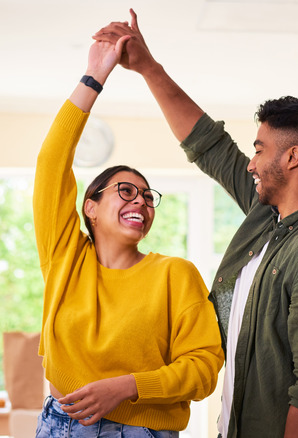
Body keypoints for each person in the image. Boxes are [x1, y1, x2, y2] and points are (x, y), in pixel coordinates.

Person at [94, 10, 298, 438]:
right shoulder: (271, 215)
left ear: (292, 158)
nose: (251, 162)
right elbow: (209, 145)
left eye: (260, 149)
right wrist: (147, 68)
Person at [32, 34, 224, 438]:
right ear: (91, 207)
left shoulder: (175, 275)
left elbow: (204, 368)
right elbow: (51, 163)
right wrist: (94, 75)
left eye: (147, 196)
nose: (140, 200)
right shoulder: (65, 257)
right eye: (125, 190)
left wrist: (127, 387)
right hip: (60, 426)